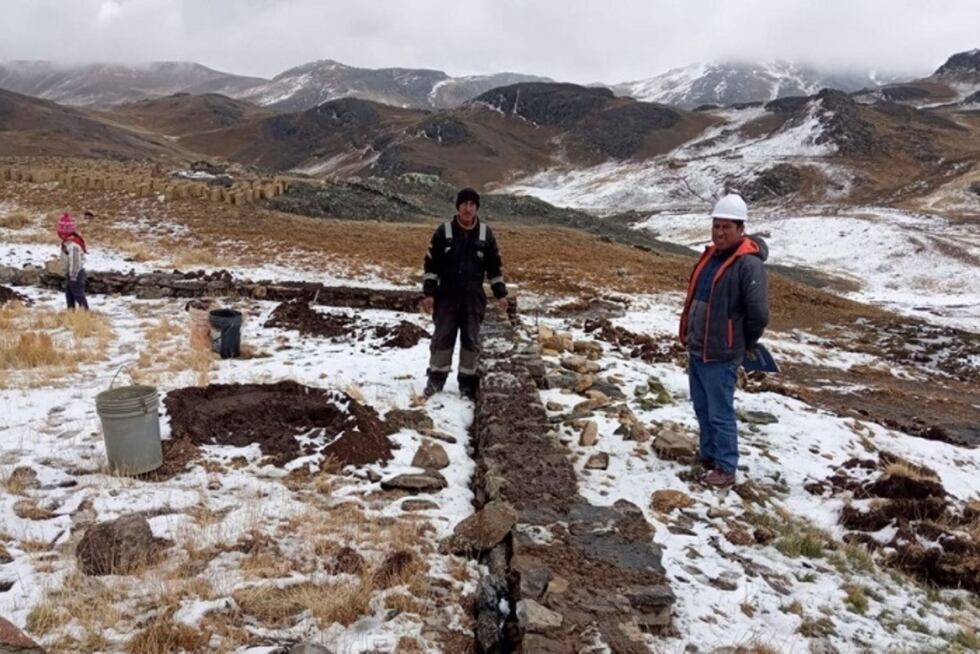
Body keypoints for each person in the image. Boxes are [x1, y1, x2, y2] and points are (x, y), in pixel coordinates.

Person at [678, 193, 768, 488]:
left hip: (721, 352)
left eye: (725, 227)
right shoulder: (711, 256)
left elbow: (758, 313)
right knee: (702, 407)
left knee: (720, 413)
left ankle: (726, 467)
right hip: (698, 348)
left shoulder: (748, 264)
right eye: (716, 226)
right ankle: (708, 455)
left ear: (741, 229)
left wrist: (741, 343)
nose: (719, 233)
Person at [421, 188, 508, 400]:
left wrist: (501, 294)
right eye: (464, 204)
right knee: (443, 337)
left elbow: (494, 268)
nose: (468, 209)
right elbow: (431, 265)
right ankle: (436, 379)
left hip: (473, 297)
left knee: (471, 339)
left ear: (476, 207)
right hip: (446, 296)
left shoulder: (485, 234)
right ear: (457, 207)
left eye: (472, 205)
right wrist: (429, 294)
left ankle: (467, 385)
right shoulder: (443, 232)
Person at [57, 213, 89, 310]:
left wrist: (73, 275)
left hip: (75, 274)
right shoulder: (68, 242)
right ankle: (71, 313)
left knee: (78, 295)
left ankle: (85, 314)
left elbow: (75, 261)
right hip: (71, 273)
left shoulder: (73, 245)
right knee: (70, 295)